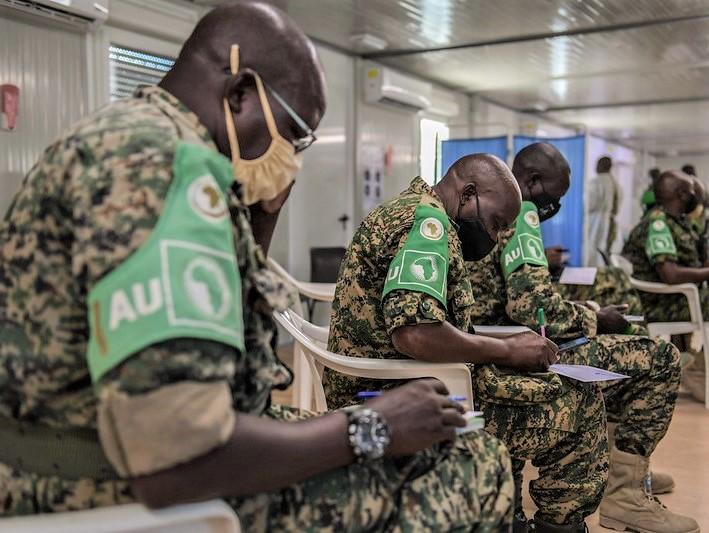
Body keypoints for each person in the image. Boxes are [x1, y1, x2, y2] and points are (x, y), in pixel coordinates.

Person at [0, 4, 515, 530]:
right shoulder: (162, 167)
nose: (291, 155)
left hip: (95, 450)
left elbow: (231, 346)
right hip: (95, 485)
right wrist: (371, 427)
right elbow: (176, 457)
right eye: (293, 135)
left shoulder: (139, 138)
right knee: (474, 466)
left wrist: (260, 214)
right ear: (240, 93)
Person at [326, 154, 609, 533]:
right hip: (393, 398)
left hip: (396, 384)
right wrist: (506, 350)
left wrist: (504, 350)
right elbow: (415, 332)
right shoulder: (428, 224)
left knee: (525, 380)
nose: (494, 239)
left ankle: (507, 517)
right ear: (468, 193)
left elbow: (425, 325)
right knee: (581, 403)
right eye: (495, 224)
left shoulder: (411, 208)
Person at [467, 143, 697, 533]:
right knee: (659, 357)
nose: (555, 206)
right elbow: (531, 306)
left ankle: (615, 468)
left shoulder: (488, 208)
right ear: (533, 182)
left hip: (495, 341)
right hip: (511, 350)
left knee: (627, 339)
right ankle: (624, 493)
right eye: (554, 197)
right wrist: (594, 319)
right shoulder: (521, 210)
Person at [624, 170, 709, 405]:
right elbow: (670, 274)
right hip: (659, 302)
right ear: (682, 194)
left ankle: (696, 363)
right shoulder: (658, 222)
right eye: (692, 192)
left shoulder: (676, 221)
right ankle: (697, 367)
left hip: (676, 297)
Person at [587, 156, 620, 266]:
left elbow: (589, 203)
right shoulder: (615, 183)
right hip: (610, 220)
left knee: (593, 248)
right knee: (606, 248)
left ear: (601, 166)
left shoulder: (596, 181)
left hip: (596, 221)